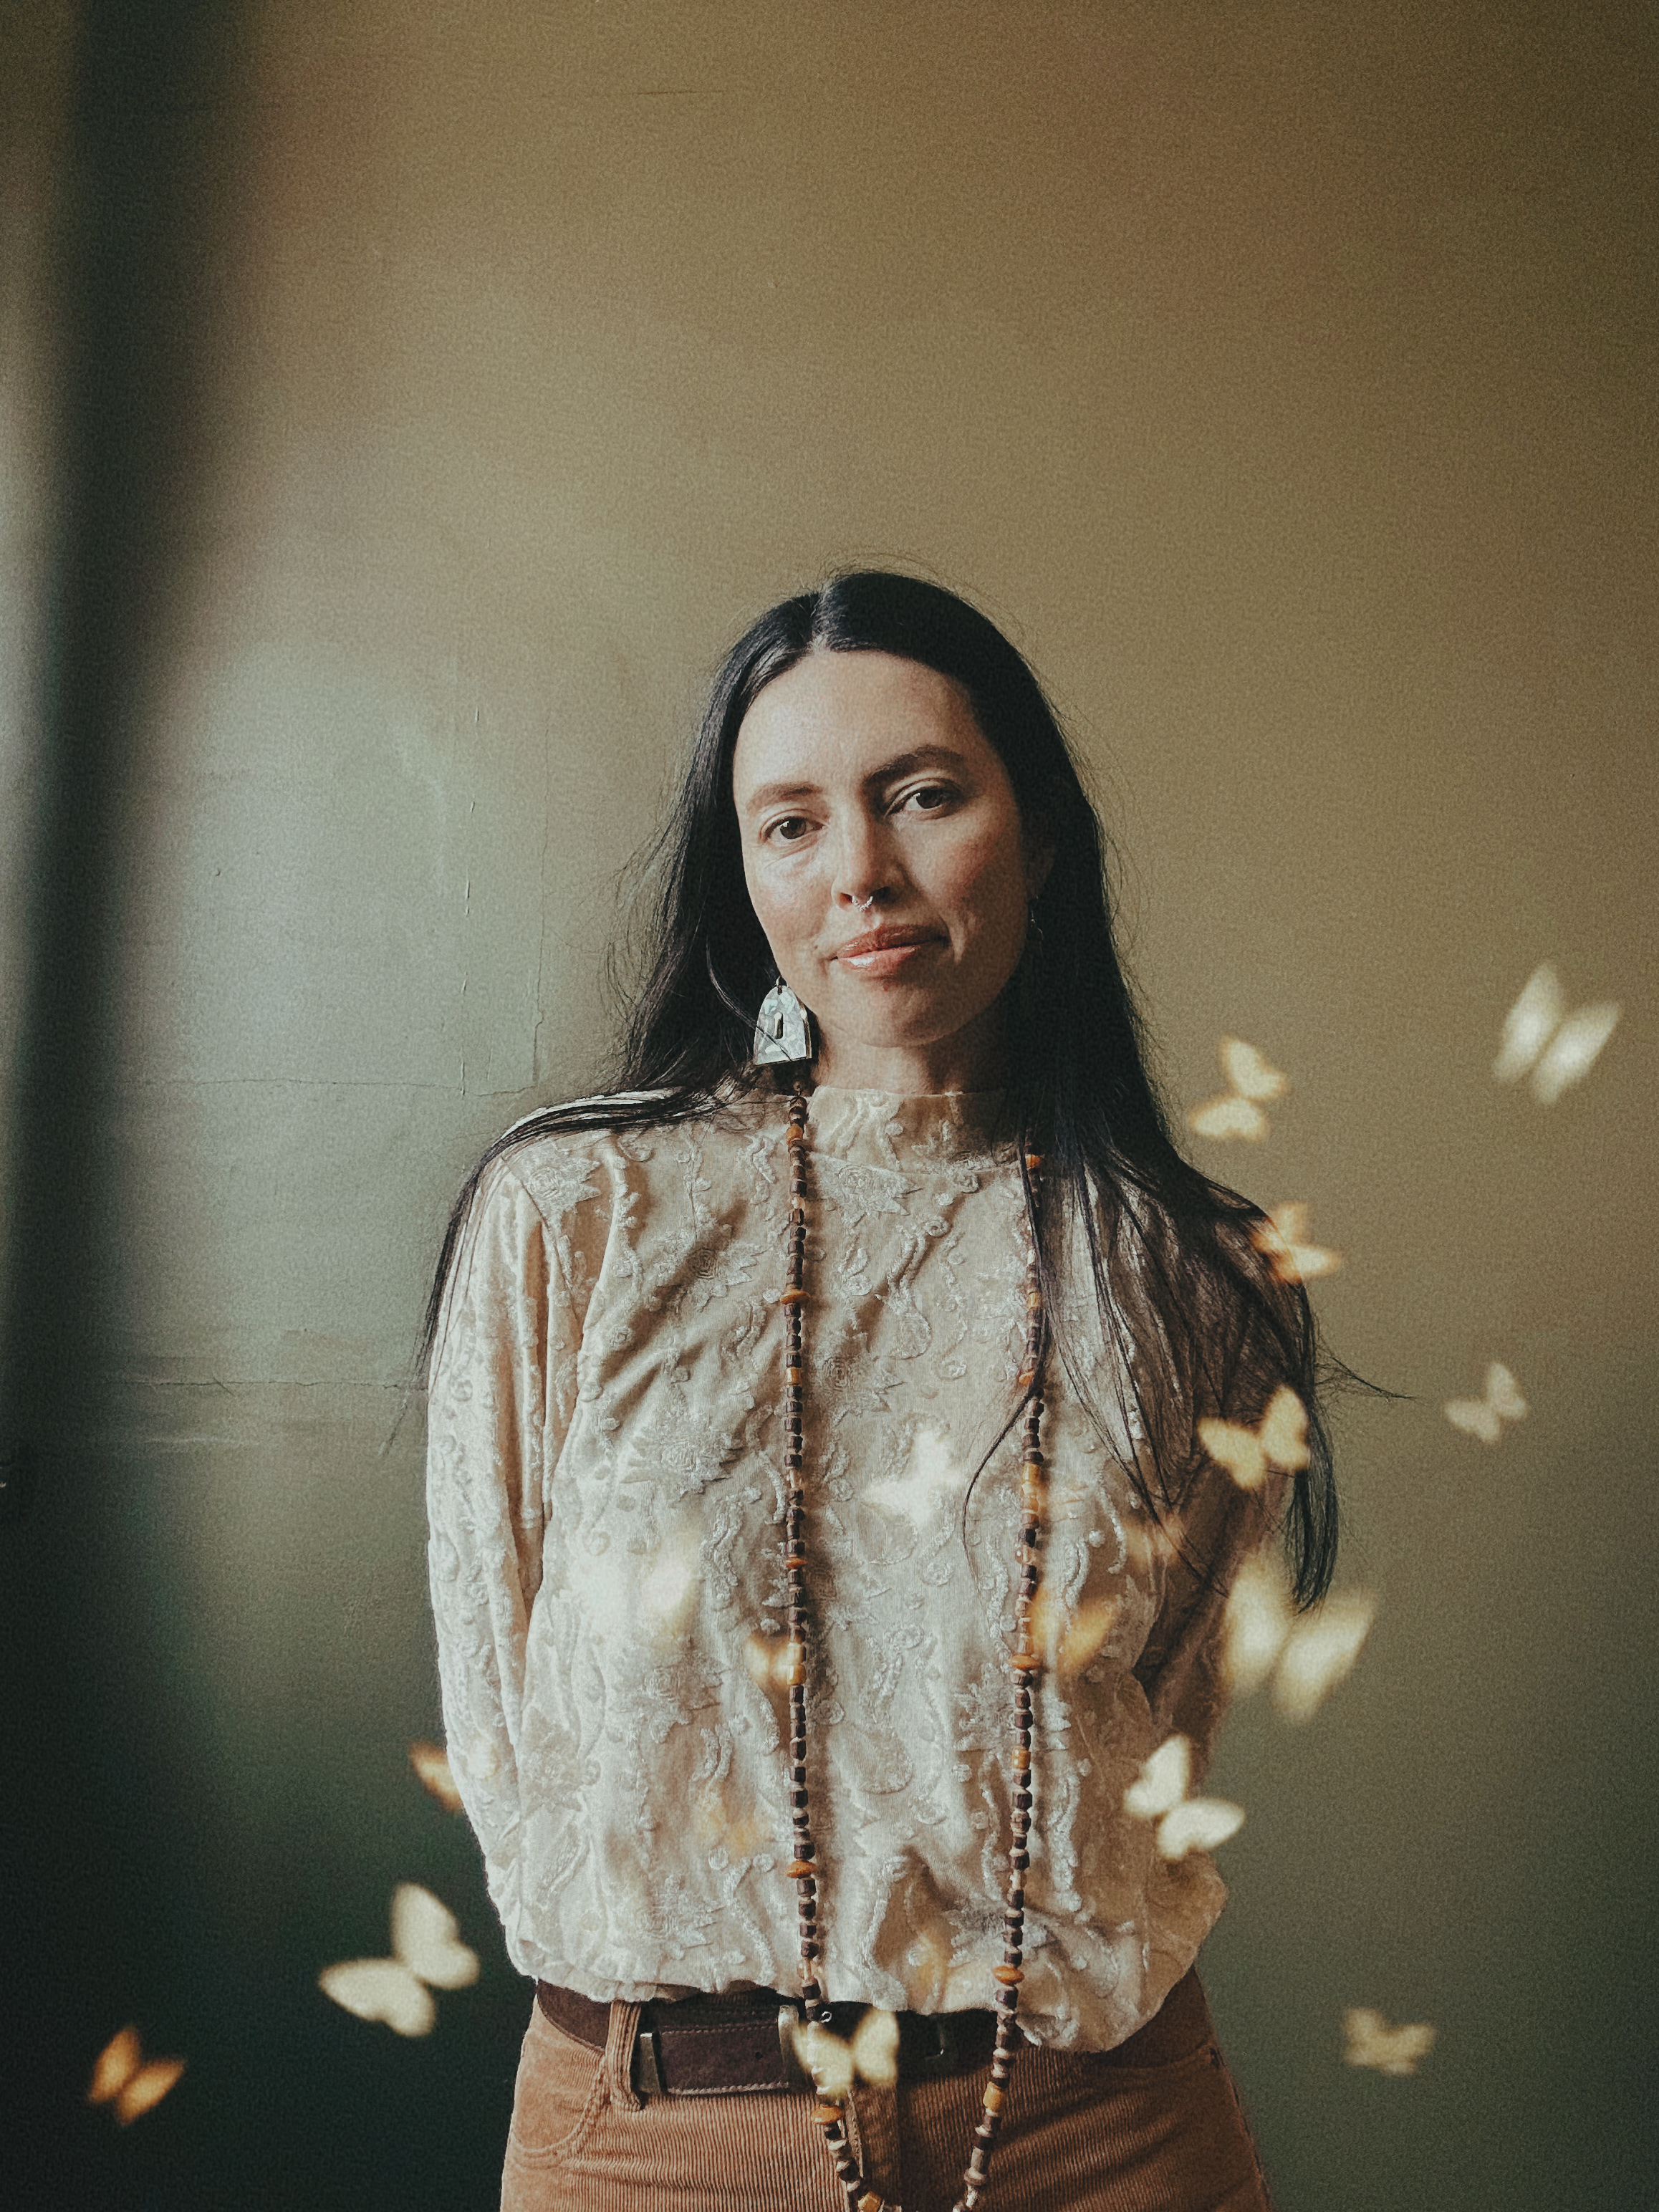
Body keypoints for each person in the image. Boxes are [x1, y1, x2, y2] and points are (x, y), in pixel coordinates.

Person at [421, 572, 1336, 2212]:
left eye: (922, 794)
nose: (862, 872)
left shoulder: (1193, 1270)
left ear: (1037, 835)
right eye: (791, 823)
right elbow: (501, 1709)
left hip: (1093, 2127)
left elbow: (1157, 1712)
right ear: (745, 878)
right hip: (660, 2132)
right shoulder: (577, 1212)